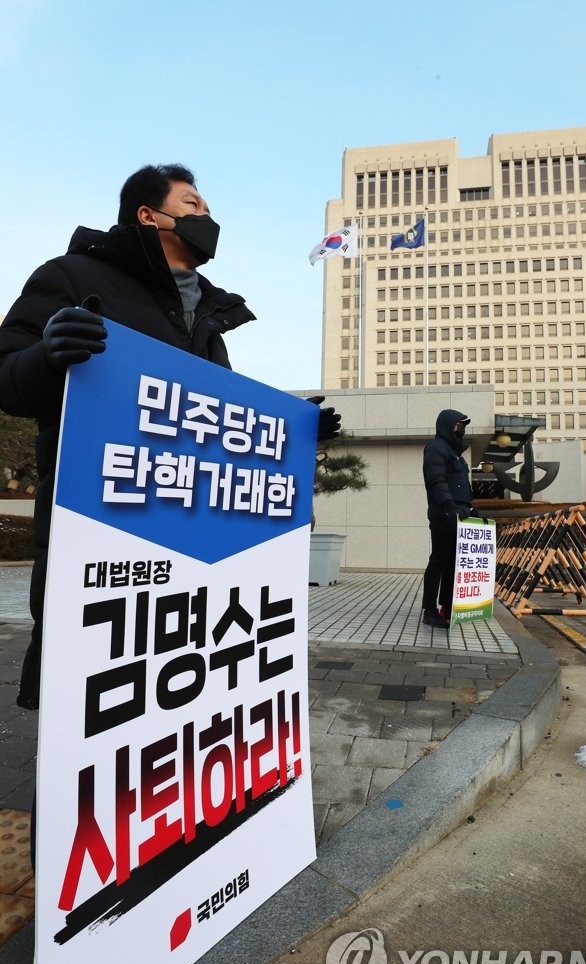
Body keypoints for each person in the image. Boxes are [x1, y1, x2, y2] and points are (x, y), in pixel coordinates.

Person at [0, 163, 340, 712]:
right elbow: (7, 377)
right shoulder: (72, 275)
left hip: (192, 554)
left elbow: (218, 423)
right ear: (147, 214)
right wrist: (46, 355)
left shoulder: (207, 314)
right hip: (101, 537)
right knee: (90, 711)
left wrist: (295, 432)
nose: (207, 217)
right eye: (193, 205)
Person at [421, 408, 481, 628]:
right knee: (439, 561)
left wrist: (471, 508)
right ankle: (429, 610)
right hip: (444, 515)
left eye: (463, 426)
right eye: (458, 425)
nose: (462, 430)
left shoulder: (456, 453)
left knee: (454, 563)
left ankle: (447, 606)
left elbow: (461, 486)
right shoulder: (436, 448)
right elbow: (436, 481)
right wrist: (449, 506)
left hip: (460, 514)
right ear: (448, 426)